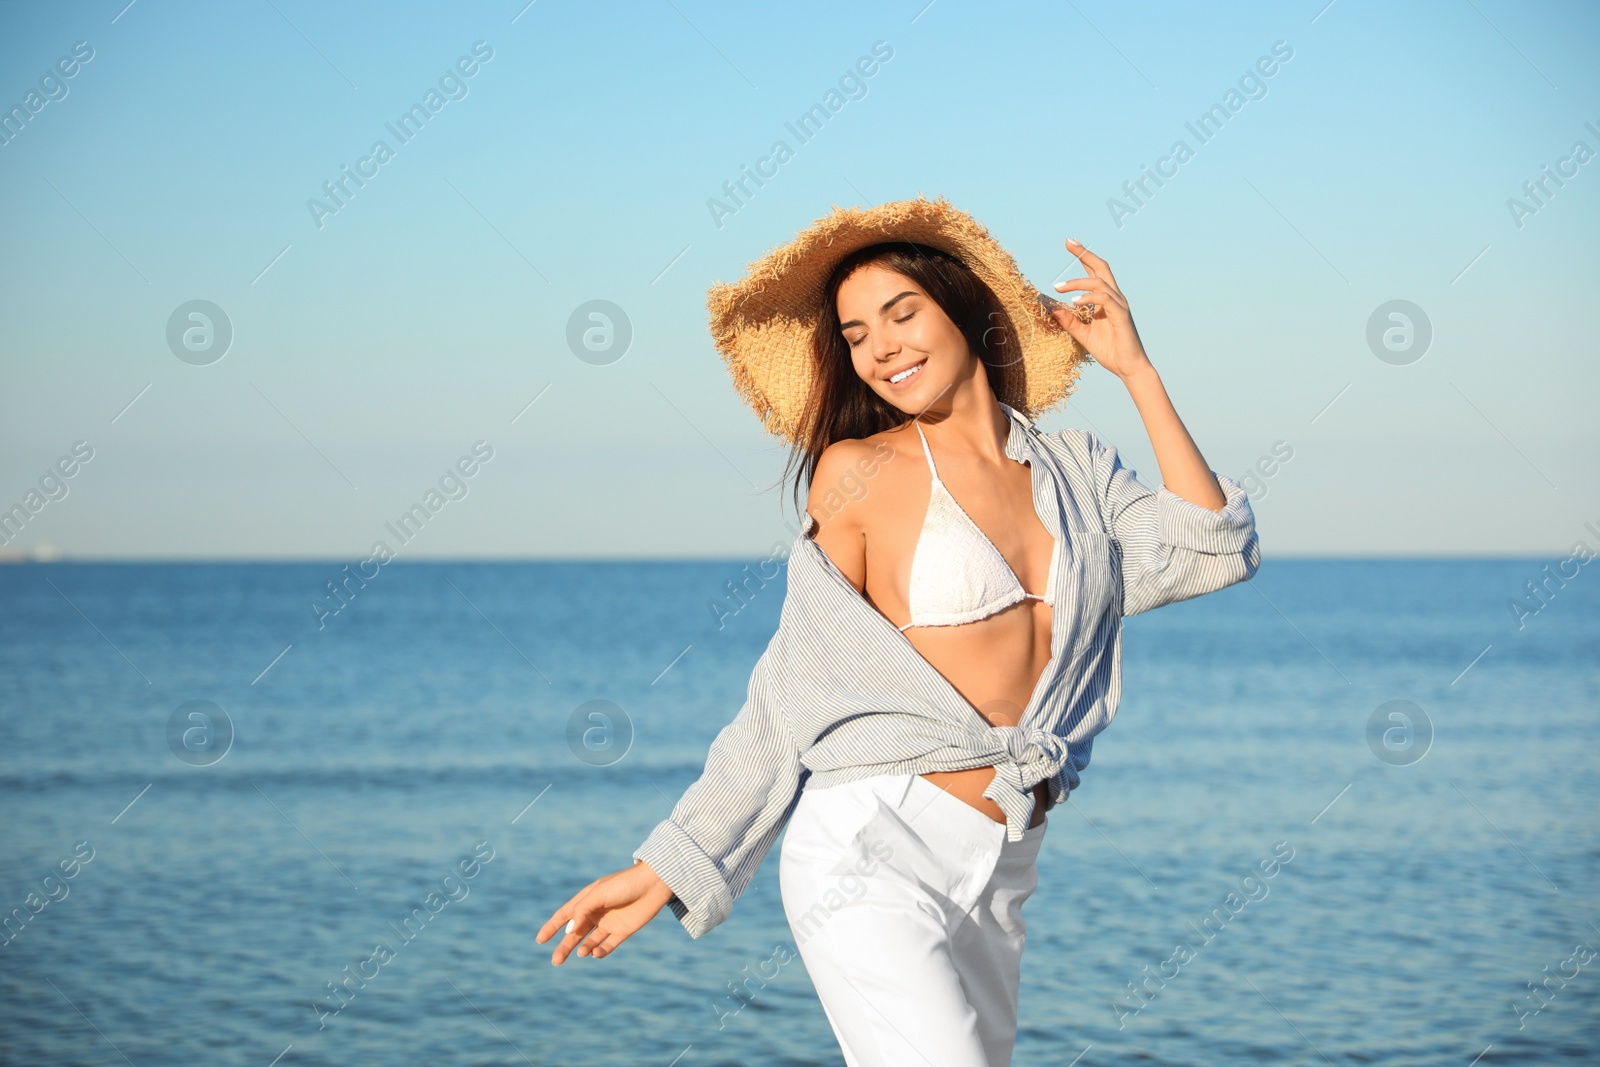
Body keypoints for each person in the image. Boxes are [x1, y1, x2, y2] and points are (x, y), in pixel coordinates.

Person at [537, 196, 1259, 1065]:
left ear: (966, 312)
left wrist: (1136, 370)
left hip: (1002, 867)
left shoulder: (1077, 474)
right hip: (872, 849)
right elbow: (788, 691)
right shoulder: (859, 475)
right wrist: (671, 864)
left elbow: (1211, 547)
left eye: (901, 313)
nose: (880, 347)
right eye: (854, 333)